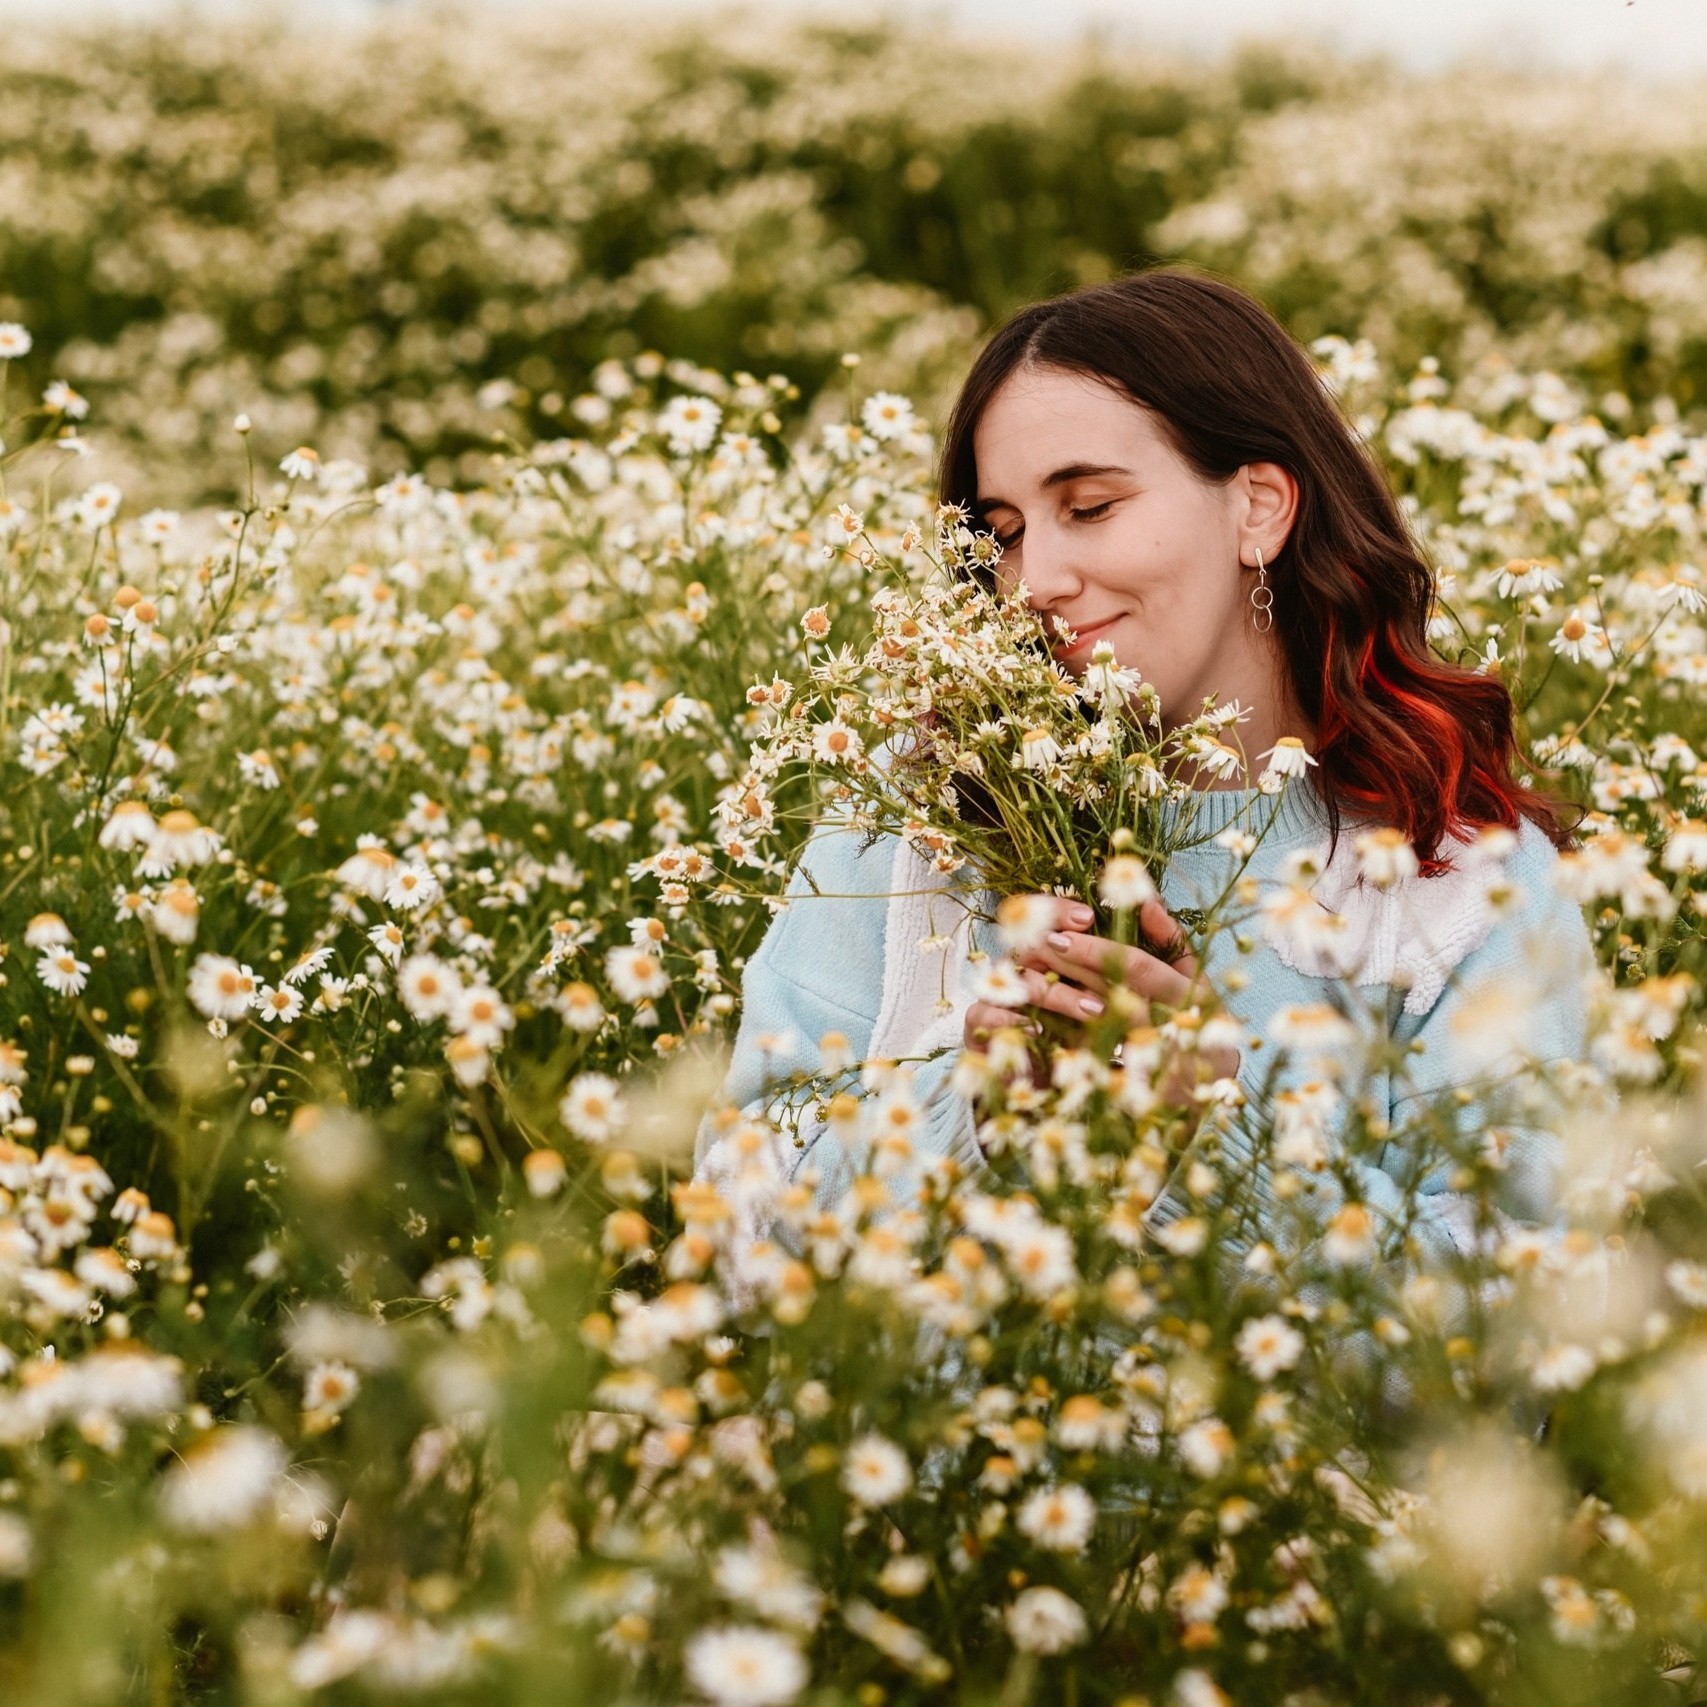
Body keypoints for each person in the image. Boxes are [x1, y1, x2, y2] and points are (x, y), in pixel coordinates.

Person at [693, 268, 1596, 1253]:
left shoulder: (1462, 892)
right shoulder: (924, 819)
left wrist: (1208, 1145)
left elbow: (1501, 1361)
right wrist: (968, 1120)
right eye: (1002, 533)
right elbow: (732, 1235)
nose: (1034, 581)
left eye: (1088, 507)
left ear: (1258, 507)